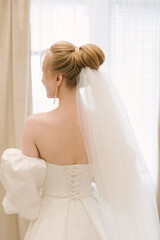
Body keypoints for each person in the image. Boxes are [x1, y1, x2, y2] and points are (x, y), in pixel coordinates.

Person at [0, 41, 160, 240]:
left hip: (50, 220)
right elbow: (114, 178)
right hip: (93, 218)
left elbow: (25, 189)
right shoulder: (100, 124)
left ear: (58, 78)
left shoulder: (35, 125)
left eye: (43, 72)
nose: (41, 79)